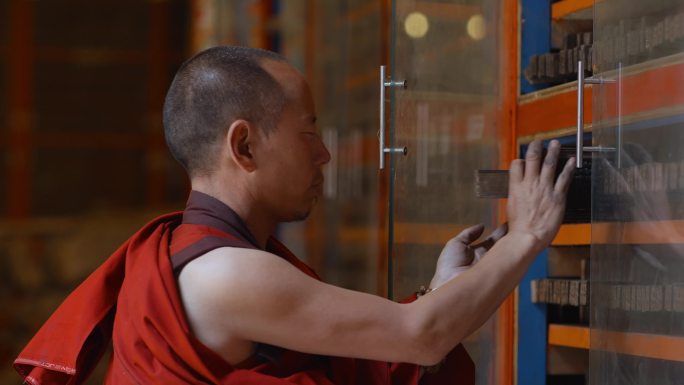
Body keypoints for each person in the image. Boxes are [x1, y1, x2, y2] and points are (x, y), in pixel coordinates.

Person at [14, 46, 574, 385]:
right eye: (308, 131)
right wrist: (525, 235)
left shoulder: (208, 259)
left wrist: (441, 289)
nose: (324, 154)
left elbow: (402, 335)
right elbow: (421, 338)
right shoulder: (225, 276)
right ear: (245, 146)